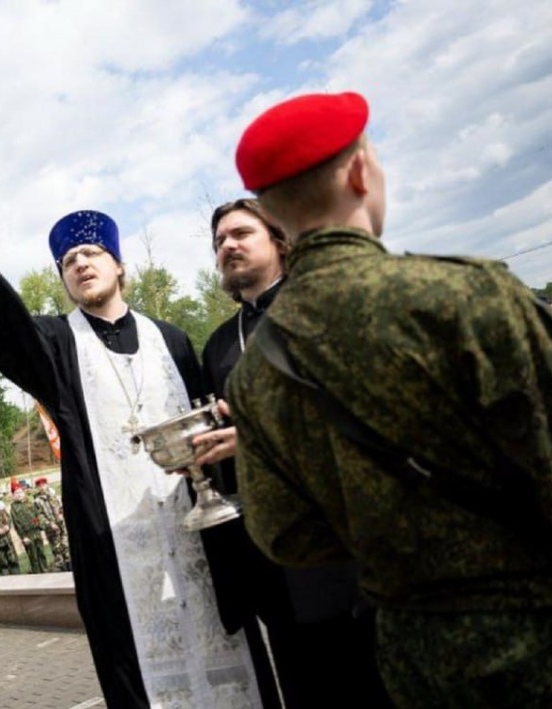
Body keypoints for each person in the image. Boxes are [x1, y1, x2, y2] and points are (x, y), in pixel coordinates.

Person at [227, 91, 552, 707]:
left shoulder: (254, 374)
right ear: (361, 172)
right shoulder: (466, 295)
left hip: (413, 655)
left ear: (270, 212)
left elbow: (283, 534)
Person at [0, 211, 259, 706]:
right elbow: (2, 328)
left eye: (92, 253)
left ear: (119, 265)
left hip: (195, 533)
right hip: (116, 550)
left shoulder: (172, 339)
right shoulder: (57, 344)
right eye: (68, 261)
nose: (80, 264)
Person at [192, 198, 389, 707]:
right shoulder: (219, 346)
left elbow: (363, 413)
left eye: (241, 233)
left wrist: (256, 436)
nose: (227, 246)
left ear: (279, 239)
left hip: (349, 550)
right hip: (274, 567)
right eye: (219, 241)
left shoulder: (322, 308)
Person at [9, 483, 50, 574]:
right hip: (27, 535)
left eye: (20, 492)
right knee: (33, 557)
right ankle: (37, 574)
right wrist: (23, 537)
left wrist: (41, 526)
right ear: (13, 496)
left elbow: (37, 514)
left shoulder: (29, 502)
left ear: (23, 492)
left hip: (36, 531)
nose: (19, 495)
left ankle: (45, 571)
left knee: (41, 553)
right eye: (16, 493)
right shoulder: (14, 507)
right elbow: (17, 524)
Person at [32, 478, 69, 572]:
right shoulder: (37, 501)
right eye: (39, 486)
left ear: (47, 485)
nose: (42, 487)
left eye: (44, 485)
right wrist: (50, 524)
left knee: (66, 547)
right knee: (57, 550)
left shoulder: (53, 496)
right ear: (37, 488)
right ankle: (62, 570)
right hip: (51, 530)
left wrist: (61, 514)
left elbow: (60, 507)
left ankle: (70, 567)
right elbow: (40, 516)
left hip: (61, 525)